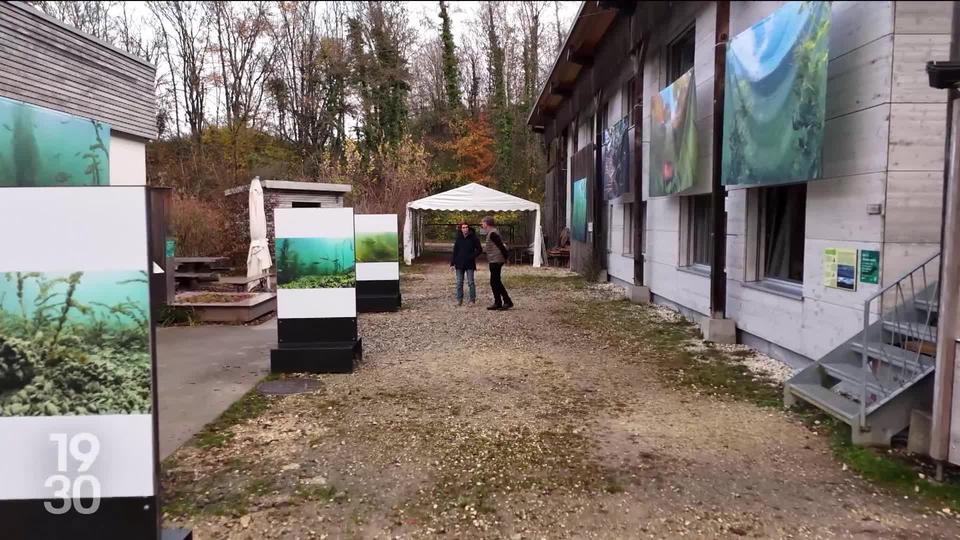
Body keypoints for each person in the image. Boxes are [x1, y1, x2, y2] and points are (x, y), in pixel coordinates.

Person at [480, 216, 513, 311]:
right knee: (495, 282)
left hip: (497, 260)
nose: (482, 225)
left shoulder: (493, 233)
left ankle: (506, 301)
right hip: (494, 259)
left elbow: (501, 246)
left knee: (495, 282)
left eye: (482, 223)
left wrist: (506, 258)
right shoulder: (491, 232)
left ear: (486, 223)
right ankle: (498, 302)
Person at [450, 222, 482, 305]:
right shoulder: (458, 238)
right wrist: (452, 263)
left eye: (466, 227)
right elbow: (455, 251)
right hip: (459, 263)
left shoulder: (474, 238)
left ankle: (472, 299)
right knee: (459, 282)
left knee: (470, 282)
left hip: (469, 263)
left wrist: (472, 256)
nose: (465, 229)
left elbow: (479, 250)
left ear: (469, 228)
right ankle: (459, 300)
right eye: (463, 227)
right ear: (461, 229)